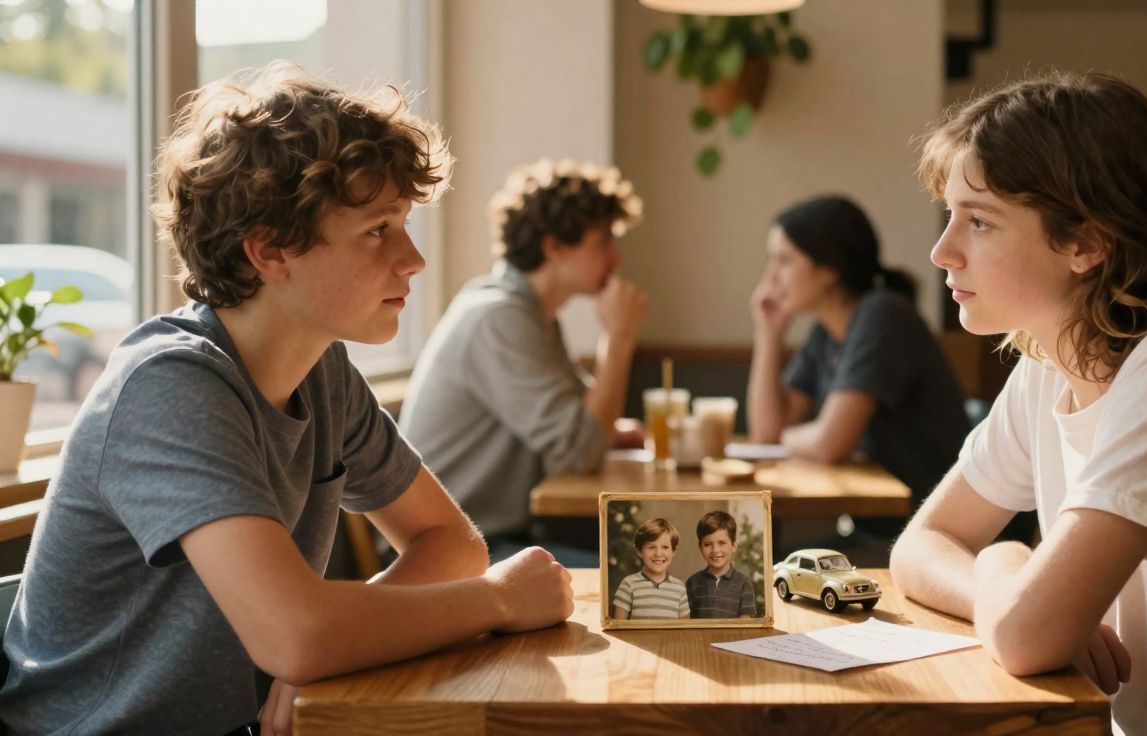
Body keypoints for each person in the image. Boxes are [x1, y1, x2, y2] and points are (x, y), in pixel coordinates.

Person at [0, 64, 574, 736]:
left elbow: (449, 541)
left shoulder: (322, 371)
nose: (413, 258)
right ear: (270, 251)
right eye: (377, 230)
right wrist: (497, 603)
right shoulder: (169, 385)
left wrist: (320, 653)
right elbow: (300, 633)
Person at [891, 71, 1147, 735]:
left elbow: (1028, 636)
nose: (943, 251)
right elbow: (921, 547)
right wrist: (1008, 586)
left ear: (1087, 243)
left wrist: (1010, 565)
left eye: (979, 221)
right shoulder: (1046, 363)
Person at [399, 159, 648, 565]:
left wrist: (609, 431)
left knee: (649, 570)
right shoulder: (498, 318)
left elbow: (585, 427)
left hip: (495, 538)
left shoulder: (531, 315)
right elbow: (580, 451)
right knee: (639, 578)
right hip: (445, 551)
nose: (616, 257)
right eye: (603, 240)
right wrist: (618, 342)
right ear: (555, 247)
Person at [747, 194, 969, 505]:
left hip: (941, 526)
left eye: (783, 261)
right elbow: (764, 431)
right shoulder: (826, 332)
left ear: (829, 269)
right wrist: (769, 334)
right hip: (883, 522)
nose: (770, 277)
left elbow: (828, 444)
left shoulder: (883, 315)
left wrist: (780, 441)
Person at [611, 518, 690, 620]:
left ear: (673, 552)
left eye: (665, 547)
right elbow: (618, 627)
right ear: (639, 551)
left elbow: (683, 630)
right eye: (651, 547)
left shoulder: (679, 588)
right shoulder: (629, 585)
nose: (658, 553)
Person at [686, 511, 756, 619]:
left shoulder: (744, 583)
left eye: (722, 543)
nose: (715, 550)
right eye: (707, 544)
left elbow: (746, 624)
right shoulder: (692, 583)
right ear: (700, 548)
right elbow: (687, 622)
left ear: (733, 546)